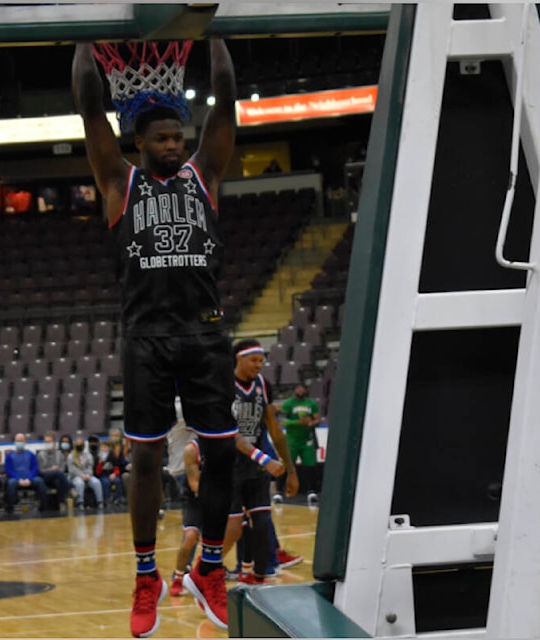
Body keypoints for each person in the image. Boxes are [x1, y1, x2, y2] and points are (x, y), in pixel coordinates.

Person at [72, 36, 238, 636]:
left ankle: (210, 570)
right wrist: (85, 50)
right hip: (145, 337)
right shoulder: (120, 184)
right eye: (162, 139)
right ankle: (146, 577)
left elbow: (226, 108)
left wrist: (217, 40)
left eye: (179, 139)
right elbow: (92, 111)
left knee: (220, 452)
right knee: (145, 457)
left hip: (205, 334)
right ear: (139, 142)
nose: (173, 146)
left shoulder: (205, 176)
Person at [223, 339, 298, 585]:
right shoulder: (224, 386)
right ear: (239, 359)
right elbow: (230, 434)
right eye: (254, 360)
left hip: (255, 467)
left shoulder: (263, 385)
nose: (259, 365)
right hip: (229, 466)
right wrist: (264, 458)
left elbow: (275, 430)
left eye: (261, 361)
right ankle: (204, 571)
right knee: (234, 529)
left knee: (263, 523)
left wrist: (291, 471)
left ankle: (257, 579)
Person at [169, 432, 202, 597]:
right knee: (190, 536)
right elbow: (195, 484)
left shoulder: (225, 446)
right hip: (196, 498)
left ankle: (203, 574)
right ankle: (178, 576)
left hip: (218, 496)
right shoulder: (193, 448)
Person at [280, 383, 322, 505]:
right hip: (292, 440)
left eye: (302, 389)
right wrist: (298, 422)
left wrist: (312, 423)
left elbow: (317, 419)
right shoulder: (288, 403)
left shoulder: (311, 404)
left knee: (309, 466)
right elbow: (283, 421)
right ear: (294, 391)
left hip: (307, 439)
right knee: (287, 464)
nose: (300, 390)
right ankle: (279, 491)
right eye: (298, 389)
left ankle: (310, 491)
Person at [3, 433, 49, 514]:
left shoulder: (31, 454)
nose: (19, 442)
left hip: (30, 478)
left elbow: (35, 468)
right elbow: (9, 470)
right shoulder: (9, 456)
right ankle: (10, 510)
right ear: (14, 442)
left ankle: (44, 508)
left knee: (40, 481)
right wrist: (18, 479)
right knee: (10, 483)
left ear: (25, 442)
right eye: (17, 441)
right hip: (16, 479)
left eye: (21, 441)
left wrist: (29, 479)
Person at [37, 431, 71, 511]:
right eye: (46, 442)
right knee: (57, 473)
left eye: (49, 442)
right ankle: (70, 488)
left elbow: (62, 469)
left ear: (54, 442)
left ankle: (61, 503)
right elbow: (40, 470)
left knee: (58, 481)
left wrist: (56, 471)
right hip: (45, 477)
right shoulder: (40, 454)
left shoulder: (60, 454)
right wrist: (51, 470)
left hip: (57, 478)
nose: (47, 443)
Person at [69, 435, 104, 510]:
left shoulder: (88, 455)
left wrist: (87, 475)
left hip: (88, 475)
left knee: (96, 482)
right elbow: (72, 470)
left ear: (84, 445)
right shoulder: (70, 456)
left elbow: (90, 467)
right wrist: (81, 475)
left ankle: (100, 502)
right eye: (78, 444)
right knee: (79, 483)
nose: (79, 446)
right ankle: (80, 503)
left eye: (81, 444)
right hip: (75, 476)